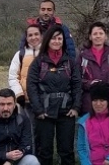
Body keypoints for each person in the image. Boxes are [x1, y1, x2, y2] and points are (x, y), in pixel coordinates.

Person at [27, 24, 82, 165]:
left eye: (59, 38)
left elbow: (77, 85)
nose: (56, 41)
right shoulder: (38, 62)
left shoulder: (70, 62)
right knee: (44, 151)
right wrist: (38, 109)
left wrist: (76, 107)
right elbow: (31, 86)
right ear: (47, 40)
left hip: (66, 112)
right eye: (53, 38)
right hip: (44, 113)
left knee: (67, 151)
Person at [0, 89, 39, 165]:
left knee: (32, 160)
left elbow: (27, 146)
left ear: (14, 105)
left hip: (14, 162)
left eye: (9, 104)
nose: (5, 108)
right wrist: (5, 156)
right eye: (2, 104)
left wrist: (10, 162)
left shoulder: (23, 121)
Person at [77, 22, 109, 114]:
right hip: (89, 104)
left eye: (101, 33)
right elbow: (77, 80)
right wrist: (89, 84)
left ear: (105, 36)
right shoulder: (82, 56)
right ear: (90, 37)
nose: (98, 36)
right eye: (95, 34)